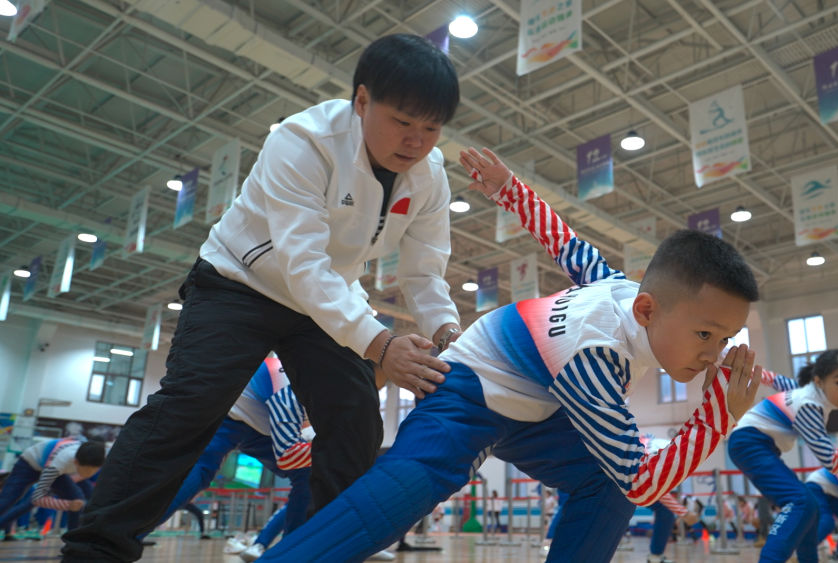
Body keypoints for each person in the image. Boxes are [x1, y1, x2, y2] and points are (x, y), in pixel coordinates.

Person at [61, 33, 464, 562]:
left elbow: (424, 271)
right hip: (240, 283)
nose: (416, 141)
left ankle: (325, 552)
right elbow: (302, 263)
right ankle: (95, 550)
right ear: (362, 101)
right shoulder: (303, 141)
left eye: (431, 128)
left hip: (327, 298)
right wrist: (382, 344)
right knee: (189, 407)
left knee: (356, 419)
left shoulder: (429, 175)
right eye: (403, 122)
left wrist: (448, 333)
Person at [255, 146, 763, 562]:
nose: (713, 354)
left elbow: (565, 243)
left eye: (725, 339)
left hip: (540, 406)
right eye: (705, 334)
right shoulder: (594, 358)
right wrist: (718, 414)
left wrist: (509, 189)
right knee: (392, 505)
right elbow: (643, 483)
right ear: (648, 310)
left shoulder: (619, 289)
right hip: (467, 392)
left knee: (605, 483)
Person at [727, 349, 838, 563]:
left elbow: (771, 378)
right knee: (800, 501)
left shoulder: (801, 389)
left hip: (755, 443)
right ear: (818, 381)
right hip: (750, 442)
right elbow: (833, 463)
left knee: (812, 507)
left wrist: (735, 364)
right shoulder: (810, 406)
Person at [149, 358, 312, 561]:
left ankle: (283, 549)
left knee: (308, 477)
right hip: (239, 412)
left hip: (248, 415)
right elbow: (289, 453)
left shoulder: (298, 374)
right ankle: (284, 551)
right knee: (199, 469)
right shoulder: (289, 376)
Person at [0, 439, 104, 536]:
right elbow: (36, 498)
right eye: (86, 470)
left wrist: (74, 503)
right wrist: (68, 505)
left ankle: (73, 541)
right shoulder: (59, 463)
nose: (89, 474)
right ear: (76, 462)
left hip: (55, 466)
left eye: (93, 470)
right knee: (9, 498)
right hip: (29, 463)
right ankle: (5, 528)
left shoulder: (97, 459)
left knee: (77, 500)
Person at [648, 492, 698, 563]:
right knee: (666, 508)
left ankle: (656, 555)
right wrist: (683, 513)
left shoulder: (689, 502)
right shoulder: (684, 500)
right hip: (635, 490)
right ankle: (655, 555)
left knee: (665, 509)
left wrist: (682, 513)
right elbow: (658, 492)